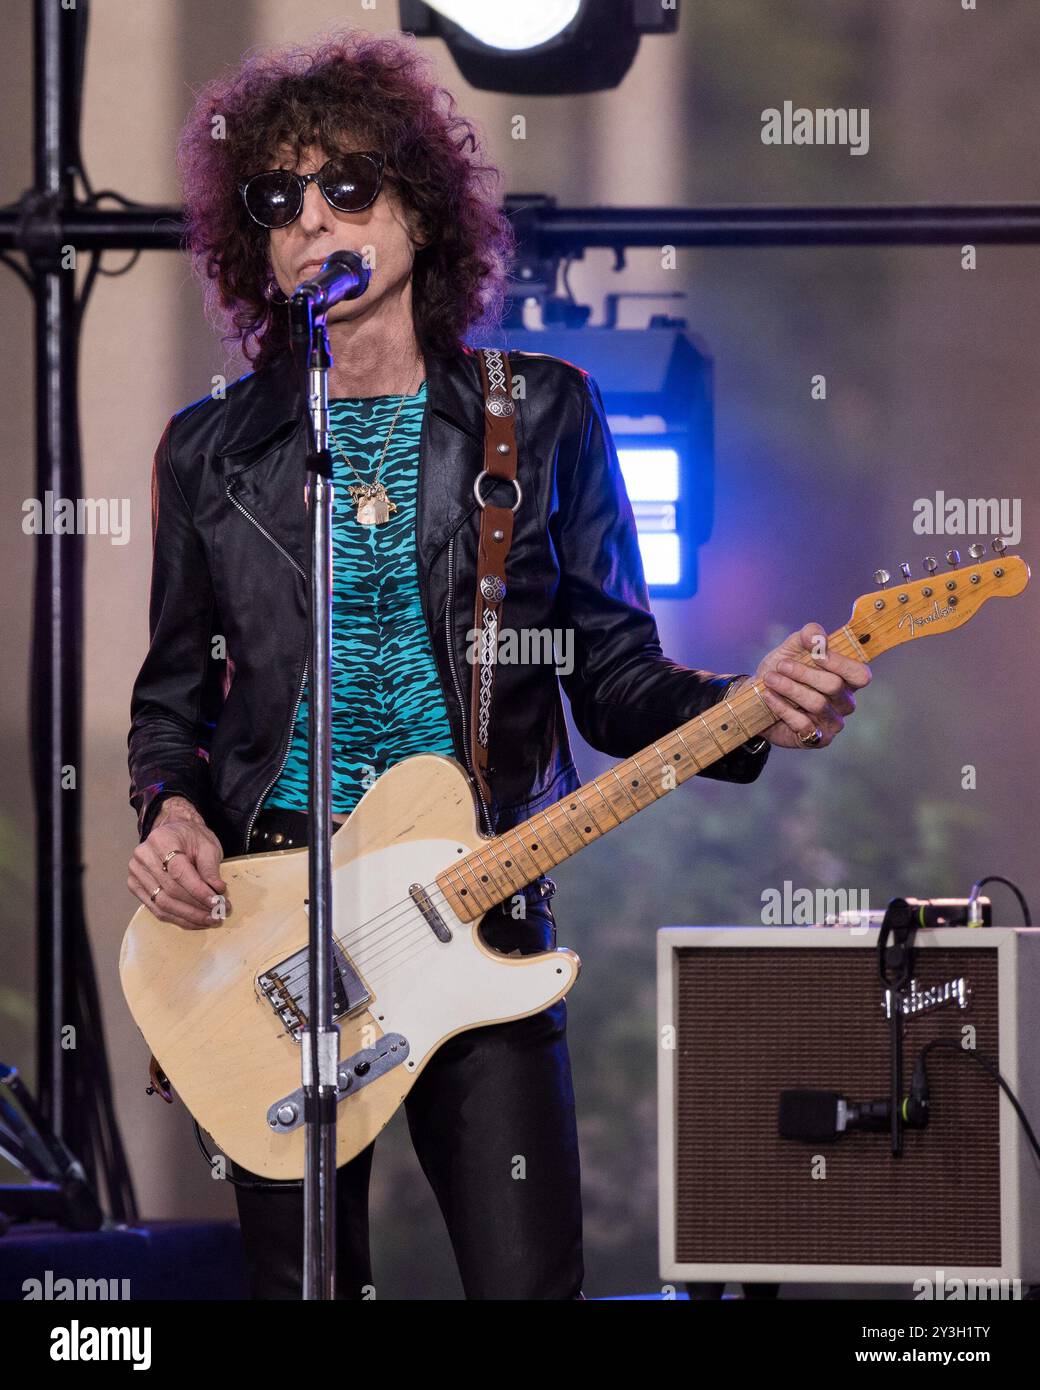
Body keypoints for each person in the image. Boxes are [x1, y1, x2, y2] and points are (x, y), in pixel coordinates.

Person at [126, 31, 870, 1300]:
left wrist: (752, 707)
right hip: (271, 930)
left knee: (527, 1283)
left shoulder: (541, 412)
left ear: (420, 209)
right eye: (277, 200)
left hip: (474, 903)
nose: (313, 221)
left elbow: (613, 677)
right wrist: (169, 808)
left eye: (347, 185)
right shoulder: (208, 450)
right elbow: (172, 701)